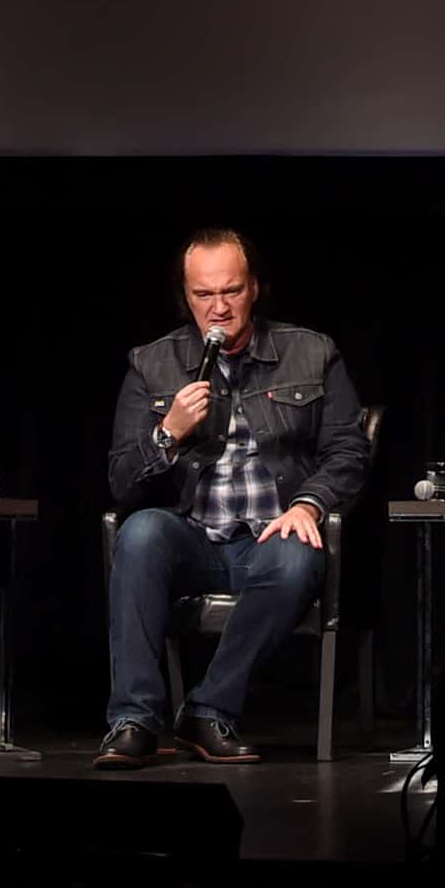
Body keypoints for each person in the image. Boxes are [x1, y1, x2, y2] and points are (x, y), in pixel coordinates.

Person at [97, 229, 372, 767]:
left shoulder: (311, 352)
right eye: (204, 295)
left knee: (297, 556)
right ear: (186, 297)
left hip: (270, 535)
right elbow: (121, 481)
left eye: (232, 291)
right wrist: (168, 433)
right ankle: (133, 720)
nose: (218, 308)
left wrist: (309, 502)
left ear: (254, 290)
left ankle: (209, 709)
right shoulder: (151, 363)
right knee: (139, 532)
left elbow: (349, 451)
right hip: (191, 537)